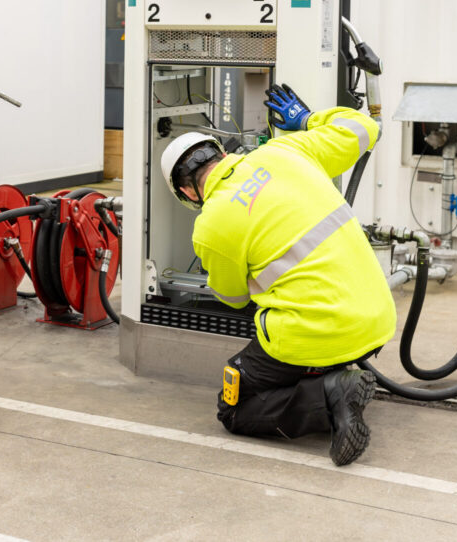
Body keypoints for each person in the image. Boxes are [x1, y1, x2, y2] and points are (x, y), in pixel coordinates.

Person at [159, 83, 396, 465]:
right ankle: (335, 377)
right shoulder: (287, 150)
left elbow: (234, 298)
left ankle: (329, 394)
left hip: (316, 332)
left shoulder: (212, 223)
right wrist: (305, 119)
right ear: (220, 152)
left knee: (233, 406)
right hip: (378, 321)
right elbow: (364, 128)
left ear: (186, 192)